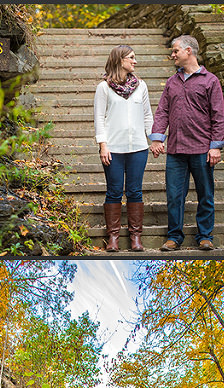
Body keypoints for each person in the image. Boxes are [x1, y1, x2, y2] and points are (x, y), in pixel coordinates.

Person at [150, 35, 224, 252]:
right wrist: (157, 137)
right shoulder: (172, 82)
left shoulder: (210, 81)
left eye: (176, 51)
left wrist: (215, 146)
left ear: (189, 51)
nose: (172, 55)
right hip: (175, 150)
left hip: (202, 149)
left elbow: (218, 115)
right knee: (174, 196)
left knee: (205, 194)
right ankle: (174, 237)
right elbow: (163, 110)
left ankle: (205, 236)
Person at [93, 44, 153, 252]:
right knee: (114, 191)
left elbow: (147, 115)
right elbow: (99, 118)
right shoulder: (104, 87)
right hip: (114, 148)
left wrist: (153, 139)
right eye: (131, 58)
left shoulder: (141, 86)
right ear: (120, 60)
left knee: (135, 191)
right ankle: (113, 238)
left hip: (138, 147)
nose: (135, 61)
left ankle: (136, 237)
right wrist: (103, 145)